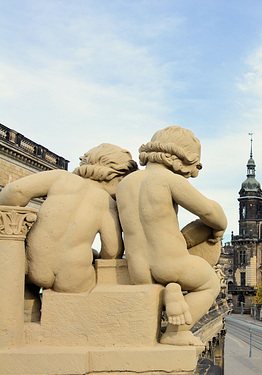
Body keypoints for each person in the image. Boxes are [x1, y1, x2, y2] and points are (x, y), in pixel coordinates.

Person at [116, 126, 227, 346]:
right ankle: (176, 331)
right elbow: (210, 213)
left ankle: (171, 291)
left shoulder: (125, 183)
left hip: (137, 269)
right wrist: (219, 228)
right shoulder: (167, 178)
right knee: (209, 283)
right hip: (170, 263)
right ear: (181, 156)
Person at [0, 143, 137, 293]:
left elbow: (15, 191)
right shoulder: (108, 204)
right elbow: (112, 251)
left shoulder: (60, 178)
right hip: (73, 276)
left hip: (30, 266)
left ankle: (29, 307)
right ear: (116, 177)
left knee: (27, 289)